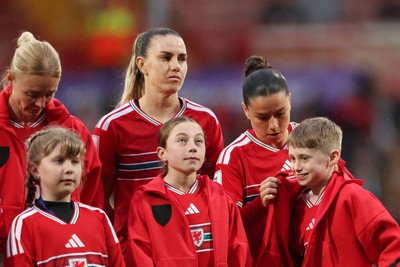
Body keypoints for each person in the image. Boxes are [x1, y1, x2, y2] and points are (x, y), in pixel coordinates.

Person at [92, 27, 224, 251]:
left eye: (182, 59)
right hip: (136, 253)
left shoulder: (205, 121)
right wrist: (124, 240)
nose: (176, 66)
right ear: (142, 65)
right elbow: (97, 201)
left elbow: (217, 194)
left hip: (195, 250)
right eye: (165, 58)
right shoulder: (112, 126)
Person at [0, 31, 103, 261]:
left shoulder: (72, 131)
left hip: (60, 253)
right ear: (10, 79)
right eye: (31, 94)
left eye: (50, 94)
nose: (40, 103)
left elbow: (92, 199)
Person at [126, 117, 251, 266]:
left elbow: (239, 252)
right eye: (182, 141)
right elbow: (140, 257)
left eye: (198, 141)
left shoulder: (221, 197)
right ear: (162, 153)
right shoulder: (145, 200)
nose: (193, 147)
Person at [214, 55, 298, 266]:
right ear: (246, 110)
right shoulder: (233, 157)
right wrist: (260, 203)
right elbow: (225, 226)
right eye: (262, 117)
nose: (274, 126)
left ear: (290, 99)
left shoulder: (310, 138)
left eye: (281, 113)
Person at [288, 117, 400, 266]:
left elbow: (392, 249)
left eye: (305, 158)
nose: (297, 166)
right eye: (293, 158)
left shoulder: (353, 196)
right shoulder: (296, 207)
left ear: (333, 157)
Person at [5, 127, 125, 266]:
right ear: (35, 170)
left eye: (75, 162)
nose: (69, 169)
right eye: (59, 161)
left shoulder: (99, 218)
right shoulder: (24, 225)